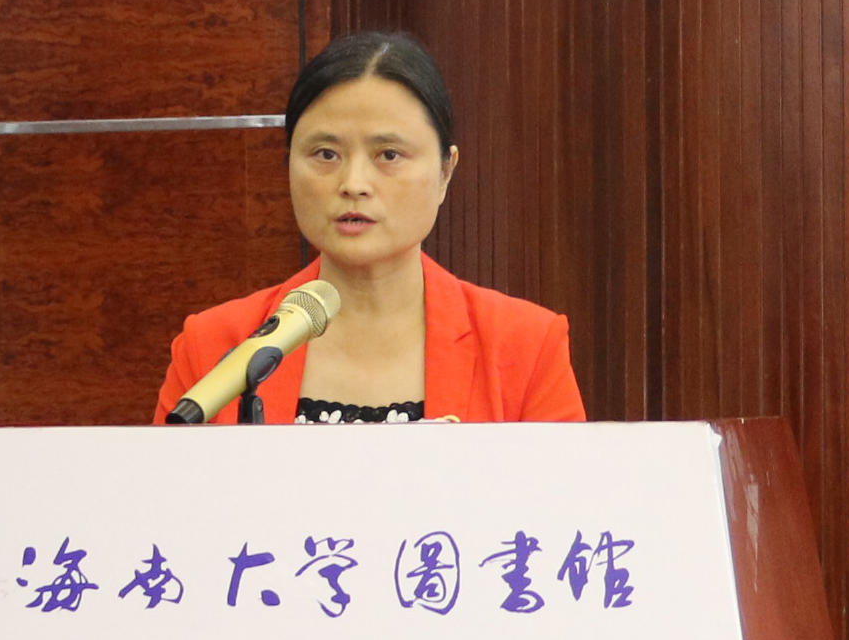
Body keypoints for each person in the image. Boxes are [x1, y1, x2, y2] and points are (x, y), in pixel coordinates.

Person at [154, 32, 585, 425]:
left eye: (388, 155)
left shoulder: (526, 346)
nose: (353, 184)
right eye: (326, 154)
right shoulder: (214, 346)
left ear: (445, 172)